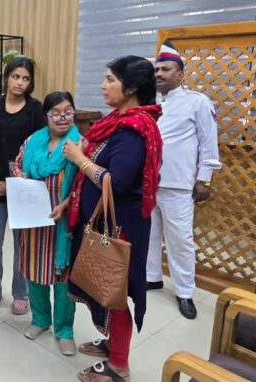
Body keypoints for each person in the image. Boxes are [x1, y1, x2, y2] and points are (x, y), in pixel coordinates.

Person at [63, 56, 163, 382]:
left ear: (130, 88)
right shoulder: (117, 121)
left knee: (114, 291)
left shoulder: (133, 130)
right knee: (103, 286)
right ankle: (112, 343)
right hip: (105, 221)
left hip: (120, 226)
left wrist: (79, 158)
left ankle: (119, 366)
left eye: (110, 79)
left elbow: (116, 182)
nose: (103, 86)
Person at [146, 40, 221, 320]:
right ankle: (152, 277)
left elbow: (208, 142)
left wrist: (205, 179)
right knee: (150, 234)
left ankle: (185, 292)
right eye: (157, 70)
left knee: (180, 240)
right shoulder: (151, 104)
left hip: (178, 185)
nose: (159, 74)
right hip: (150, 183)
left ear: (180, 74)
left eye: (165, 69)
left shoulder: (197, 102)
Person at [12, 91, 79, 356]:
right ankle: (40, 319)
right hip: (33, 222)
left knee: (63, 278)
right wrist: (20, 174)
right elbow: (17, 165)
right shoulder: (32, 141)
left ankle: (65, 330)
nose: (63, 117)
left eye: (68, 112)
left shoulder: (79, 144)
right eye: (56, 113)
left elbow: (84, 185)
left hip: (64, 225)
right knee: (34, 270)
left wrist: (68, 202)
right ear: (46, 116)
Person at [0, 57, 44, 314]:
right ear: (7, 77)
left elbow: (38, 149)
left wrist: (21, 180)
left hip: (24, 184)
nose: (20, 83)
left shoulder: (36, 109)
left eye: (26, 78)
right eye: (16, 76)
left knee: (22, 244)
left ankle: (21, 292)